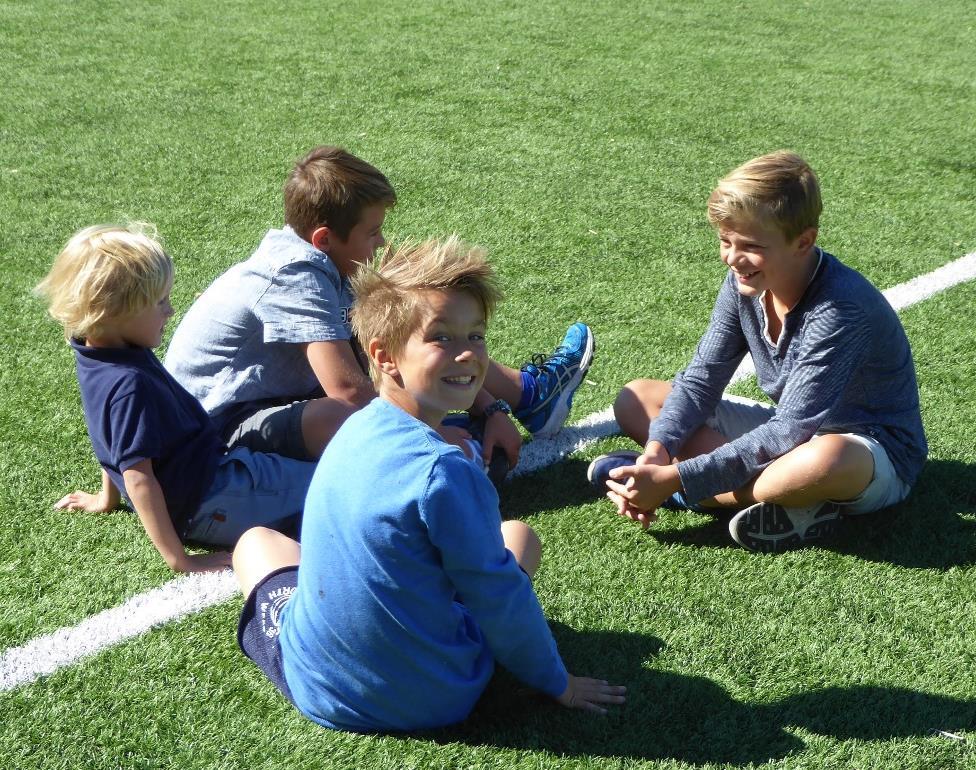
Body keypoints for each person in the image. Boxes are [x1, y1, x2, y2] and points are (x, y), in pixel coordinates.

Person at [233, 236, 625, 732]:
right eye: (442, 337)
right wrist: (558, 683)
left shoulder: (352, 428)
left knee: (256, 542)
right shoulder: (446, 472)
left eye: (476, 336)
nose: (467, 356)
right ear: (385, 355)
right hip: (436, 698)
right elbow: (499, 599)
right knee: (519, 538)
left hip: (321, 686)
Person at [164, 146, 593, 472]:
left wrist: (489, 407)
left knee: (409, 347)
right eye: (373, 233)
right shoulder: (295, 275)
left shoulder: (323, 260)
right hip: (213, 430)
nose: (382, 245)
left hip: (269, 402)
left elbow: (389, 348)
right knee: (342, 414)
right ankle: (477, 426)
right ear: (324, 238)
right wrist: (433, 434)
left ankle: (524, 398)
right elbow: (348, 391)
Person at [589, 151, 927, 552]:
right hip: (795, 431)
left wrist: (678, 480)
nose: (733, 258)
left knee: (825, 460)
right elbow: (701, 380)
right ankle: (788, 504)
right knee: (638, 398)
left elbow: (791, 429)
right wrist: (656, 452)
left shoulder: (841, 308)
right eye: (725, 241)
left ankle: (686, 494)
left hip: (867, 451)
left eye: (750, 245)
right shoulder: (744, 282)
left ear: (804, 241)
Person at [36, 224, 316, 573]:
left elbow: (108, 437)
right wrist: (179, 559)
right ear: (116, 312)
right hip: (212, 497)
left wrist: (105, 498)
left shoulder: (99, 350)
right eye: (159, 302)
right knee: (335, 479)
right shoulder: (128, 383)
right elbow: (138, 477)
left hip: (208, 481)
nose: (169, 311)